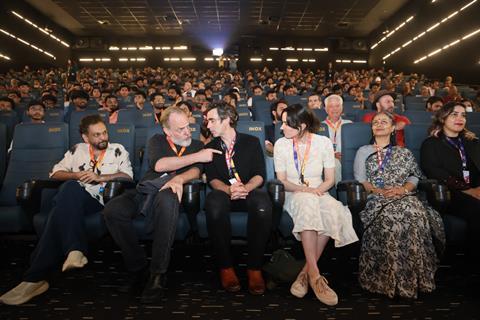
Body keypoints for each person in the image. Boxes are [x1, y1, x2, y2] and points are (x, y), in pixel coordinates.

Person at [0, 115, 133, 305]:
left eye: (104, 132)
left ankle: (34, 277)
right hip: (72, 199)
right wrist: (76, 174)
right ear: (85, 138)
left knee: (64, 198)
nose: (103, 137)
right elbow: (55, 173)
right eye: (97, 135)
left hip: (99, 199)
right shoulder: (76, 150)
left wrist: (101, 177)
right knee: (69, 188)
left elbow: (127, 177)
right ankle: (63, 258)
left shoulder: (118, 149)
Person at [103, 106, 221, 304]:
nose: (187, 132)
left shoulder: (197, 144)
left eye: (188, 127)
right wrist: (199, 156)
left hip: (173, 195)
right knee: (113, 211)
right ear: (167, 131)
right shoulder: (156, 140)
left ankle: (158, 272)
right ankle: (137, 266)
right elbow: (159, 165)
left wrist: (179, 179)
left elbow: (196, 172)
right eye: (180, 129)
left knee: (168, 198)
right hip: (146, 190)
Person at [354, 111, 445, 299]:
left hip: (404, 196)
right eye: (375, 122)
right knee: (392, 219)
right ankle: (388, 279)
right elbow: (361, 180)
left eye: (384, 122)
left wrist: (403, 189)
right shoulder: (363, 151)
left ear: (393, 127)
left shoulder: (403, 152)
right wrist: (380, 192)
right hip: (376, 198)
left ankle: (415, 278)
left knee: (415, 214)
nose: (378, 124)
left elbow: (415, 176)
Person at [274, 104, 358, 306]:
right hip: (294, 192)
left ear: (302, 126)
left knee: (334, 209)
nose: (281, 127)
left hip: (319, 190)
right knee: (307, 203)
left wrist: (317, 191)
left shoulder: (323, 142)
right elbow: (282, 180)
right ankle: (316, 277)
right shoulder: (281, 144)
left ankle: (306, 273)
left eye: (287, 123)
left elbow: (329, 179)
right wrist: (305, 191)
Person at [204, 102, 273, 295]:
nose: (208, 125)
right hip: (224, 192)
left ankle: (254, 268)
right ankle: (226, 267)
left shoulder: (251, 142)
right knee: (213, 204)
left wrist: (246, 188)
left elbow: (260, 174)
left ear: (226, 120)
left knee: (262, 205)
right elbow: (212, 179)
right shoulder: (210, 147)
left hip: (249, 190)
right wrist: (228, 189)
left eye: (212, 120)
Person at [420, 102, 480, 261]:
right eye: (454, 114)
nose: (460, 118)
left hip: (475, 189)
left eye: (463, 115)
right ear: (443, 117)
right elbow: (434, 171)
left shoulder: (472, 142)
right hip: (447, 193)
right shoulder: (431, 143)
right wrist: (467, 190)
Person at [321, 94, 352, 184]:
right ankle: (340, 191)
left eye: (337, 106)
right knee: (335, 163)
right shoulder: (319, 126)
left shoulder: (349, 124)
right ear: (326, 109)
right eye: (331, 106)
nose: (335, 109)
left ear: (342, 108)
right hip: (327, 160)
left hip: (347, 158)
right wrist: (332, 155)